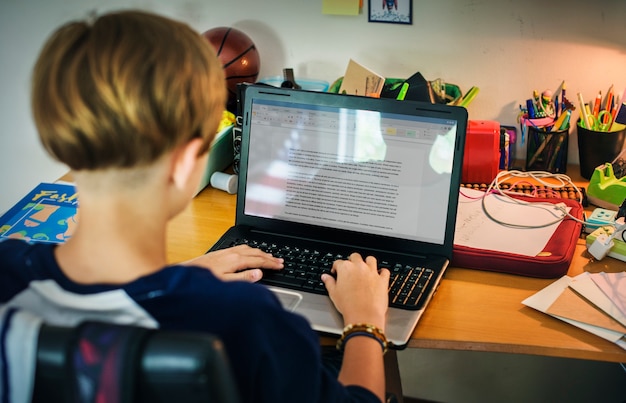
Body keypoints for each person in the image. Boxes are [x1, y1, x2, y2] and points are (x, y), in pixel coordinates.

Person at [0, 10, 391, 403]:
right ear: (187, 161)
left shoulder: (8, 268)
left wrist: (178, 274)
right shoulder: (244, 317)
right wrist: (365, 321)